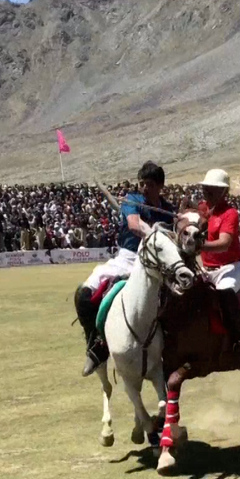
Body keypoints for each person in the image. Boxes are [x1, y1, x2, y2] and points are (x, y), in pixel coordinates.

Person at [73, 161, 175, 377]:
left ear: (160, 186)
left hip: (159, 263)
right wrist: (155, 236)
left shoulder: (168, 211)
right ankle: (97, 346)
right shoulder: (132, 200)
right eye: (142, 184)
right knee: (85, 292)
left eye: (149, 184)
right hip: (129, 258)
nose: (144, 188)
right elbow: (134, 225)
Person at [196, 168, 240, 363]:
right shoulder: (203, 210)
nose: (207, 193)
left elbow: (224, 243)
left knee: (224, 291)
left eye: (212, 189)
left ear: (224, 192)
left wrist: (199, 245)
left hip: (231, 268)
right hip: (206, 270)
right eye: (206, 188)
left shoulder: (230, 214)